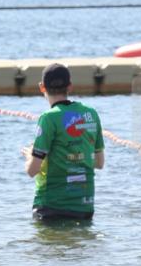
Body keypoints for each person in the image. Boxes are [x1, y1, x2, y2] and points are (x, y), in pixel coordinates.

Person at [22, 63, 105, 222]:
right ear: (70, 87)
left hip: (52, 207)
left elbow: (32, 170)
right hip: (84, 206)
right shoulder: (91, 114)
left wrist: (29, 155)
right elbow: (99, 163)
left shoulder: (48, 118)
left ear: (42, 87)